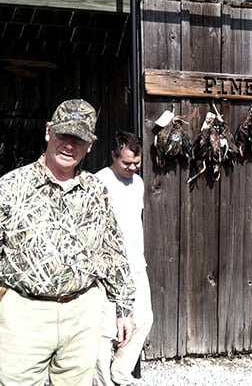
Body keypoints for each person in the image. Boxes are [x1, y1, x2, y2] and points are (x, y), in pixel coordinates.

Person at [0, 99, 136, 386]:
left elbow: (112, 249)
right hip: (24, 312)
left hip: (82, 312)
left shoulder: (96, 190)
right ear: (49, 131)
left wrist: (124, 309)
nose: (69, 145)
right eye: (63, 135)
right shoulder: (11, 187)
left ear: (90, 144)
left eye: (79, 139)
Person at [94, 131, 153, 386]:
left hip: (136, 265)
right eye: (126, 163)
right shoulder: (99, 182)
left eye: (136, 163)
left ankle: (120, 372)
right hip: (107, 268)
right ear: (113, 156)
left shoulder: (138, 182)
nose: (132, 168)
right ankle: (101, 381)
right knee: (105, 331)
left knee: (144, 318)